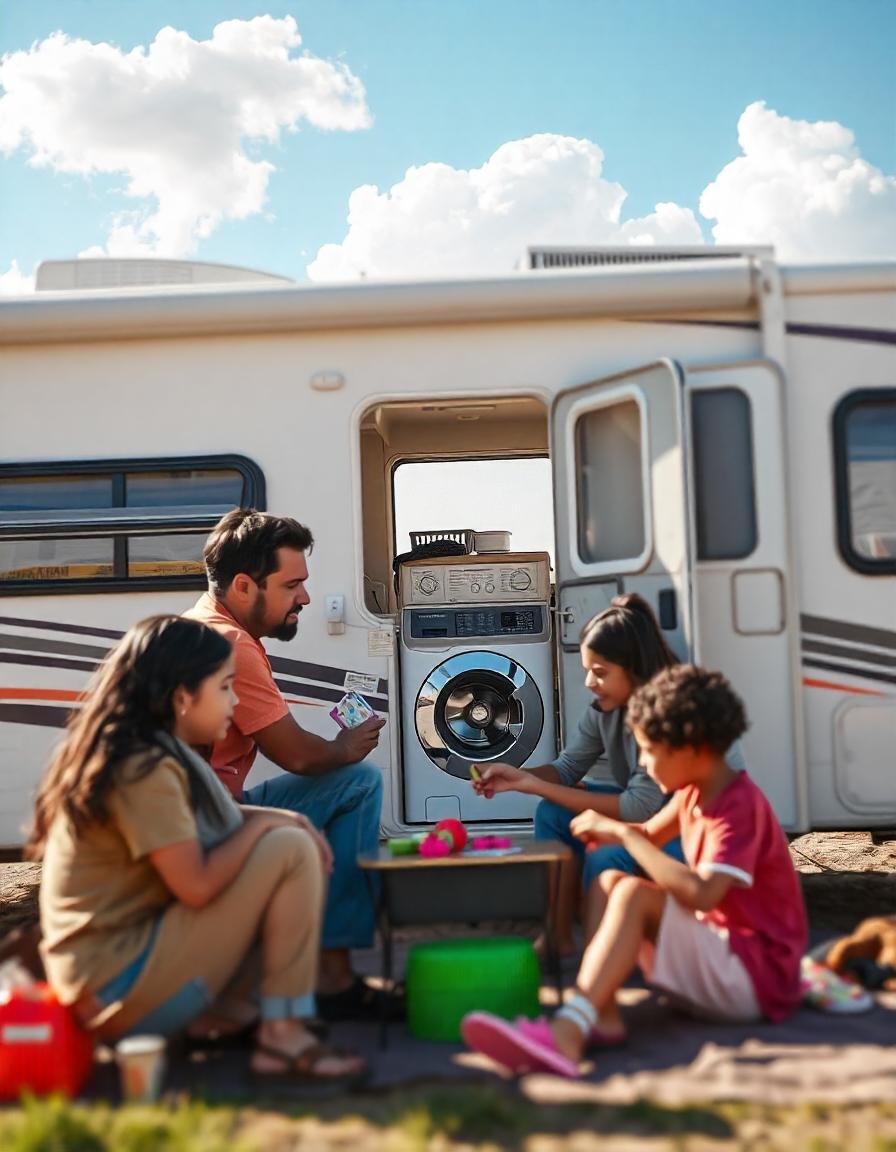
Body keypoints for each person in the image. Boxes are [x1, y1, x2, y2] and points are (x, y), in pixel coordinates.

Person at [31, 616, 365, 1086]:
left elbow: (217, 827)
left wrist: (285, 818)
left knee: (285, 838)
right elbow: (196, 885)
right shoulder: (141, 765)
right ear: (184, 696)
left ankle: (234, 1016)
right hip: (116, 993)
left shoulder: (164, 751)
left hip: (124, 974)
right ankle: (282, 1034)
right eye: (225, 687)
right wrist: (282, 830)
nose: (235, 700)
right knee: (287, 851)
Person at [462, 665, 808, 1079]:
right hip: (723, 963)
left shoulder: (739, 806)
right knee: (611, 880)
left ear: (690, 748)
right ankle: (600, 1014)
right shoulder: (695, 792)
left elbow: (701, 894)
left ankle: (569, 1028)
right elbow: (646, 832)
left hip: (756, 982)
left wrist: (624, 838)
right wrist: (609, 828)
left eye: (648, 749)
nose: (642, 762)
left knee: (634, 893)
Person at [184, 508, 396, 1021]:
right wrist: (346, 747)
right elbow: (298, 755)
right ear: (242, 585)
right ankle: (334, 974)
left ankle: (328, 967)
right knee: (359, 782)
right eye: (292, 585)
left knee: (348, 785)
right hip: (209, 819)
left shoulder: (197, 623)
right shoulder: (232, 643)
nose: (304, 597)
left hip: (202, 807)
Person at [474, 594, 747, 955]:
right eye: (587, 670)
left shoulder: (667, 713)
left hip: (697, 826)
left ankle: (600, 957)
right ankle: (558, 937)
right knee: (551, 814)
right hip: (657, 815)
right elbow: (568, 768)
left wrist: (536, 786)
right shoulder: (605, 710)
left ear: (633, 669)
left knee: (605, 855)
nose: (589, 682)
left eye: (600, 672)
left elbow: (638, 808)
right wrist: (517, 775)